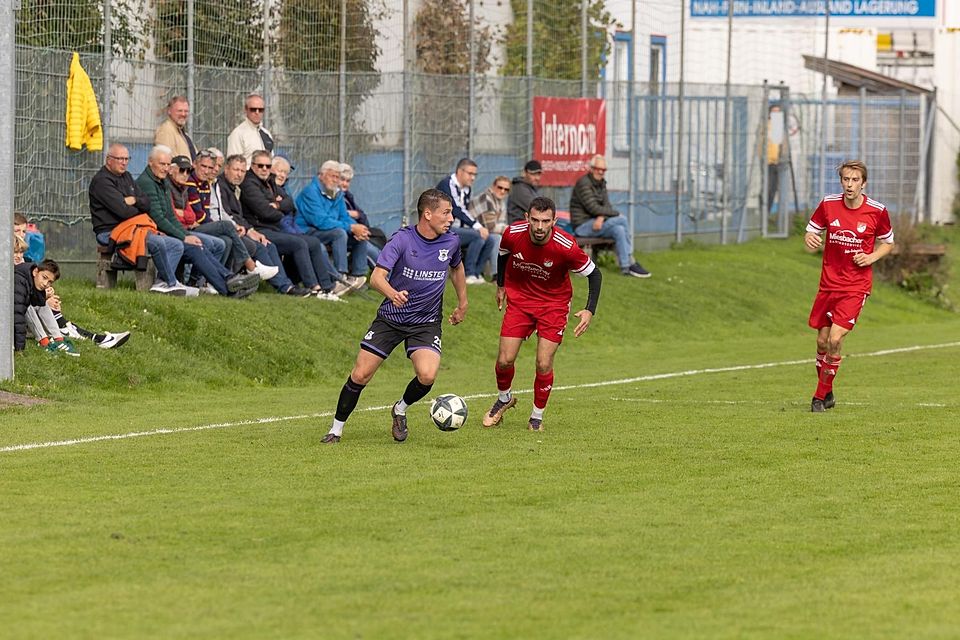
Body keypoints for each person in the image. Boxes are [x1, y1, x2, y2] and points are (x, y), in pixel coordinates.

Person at [321, 188, 468, 444]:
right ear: (427, 214)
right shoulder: (401, 239)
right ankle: (336, 429)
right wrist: (392, 294)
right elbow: (376, 278)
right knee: (360, 375)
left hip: (426, 322)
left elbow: (456, 268)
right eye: (446, 213)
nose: (451, 218)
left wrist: (463, 303)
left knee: (427, 376)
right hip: (392, 318)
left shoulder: (451, 241)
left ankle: (400, 409)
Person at [481, 196, 602, 432]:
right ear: (527, 218)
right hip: (520, 302)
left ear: (554, 221)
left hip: (553, 305)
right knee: (504, 360)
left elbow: (595, 274)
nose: (539, 227)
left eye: (545, 221)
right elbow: (504, 254)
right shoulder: (512, 233)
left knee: (543, 362)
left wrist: (590, 310)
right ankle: (504, 399)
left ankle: (536, 418)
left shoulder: (566, 247)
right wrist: (501, 285)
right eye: (534, 220)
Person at [804, 160, 894, 413]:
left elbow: (888, 242)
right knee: (822, 342)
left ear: (863, 184)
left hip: (855, 286)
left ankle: (818, 398)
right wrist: (810, 237)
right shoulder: (828, 204)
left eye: (855, 180)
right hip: (828, 284)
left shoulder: (877, 211)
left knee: (834, 338)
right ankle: (828, 390)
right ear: (841, 181)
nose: (849, 185)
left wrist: (871, 257)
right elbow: (812, 230)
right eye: (846, 179)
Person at [137, 145, 260, 298]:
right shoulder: (148, 183)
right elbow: (159, 218)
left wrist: (185, 234)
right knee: (200, 244)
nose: (165, 168)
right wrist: (184, 236)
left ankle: (228, 283)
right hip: (154, 233)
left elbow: (173, 216)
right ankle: (227, 284)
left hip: (168, 231)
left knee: (199, 246)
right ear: (150, 162)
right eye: (162, 164)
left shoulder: (162, 182)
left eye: (168, 164)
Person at [239, 150, 342, 301]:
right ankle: (312, 286)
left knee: (313, 242)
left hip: (274, 228)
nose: (264, 169)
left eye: (267, 166)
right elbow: (265, 212)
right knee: (298, 243)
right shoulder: (249, 183)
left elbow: (289, 203)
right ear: (252, 166)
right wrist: (278, 209)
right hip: (260, 229)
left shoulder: (269, 181)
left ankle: (326, 287)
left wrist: (276, 205)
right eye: (260, 165)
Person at [88, 143, 187, 295]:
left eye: (127, 159)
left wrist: (133, 200)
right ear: (108, 160)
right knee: (158, 242)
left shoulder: (127, 177)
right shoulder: (102, 181)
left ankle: (161, 283)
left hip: (135, 228)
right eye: (120, 159)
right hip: (111, 232)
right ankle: (171, 282)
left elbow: (147, 203)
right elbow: (123, 212)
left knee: (176, 244)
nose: (124, 162)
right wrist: (134, 206)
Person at [14, 219, 130, 349]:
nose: (22, 234)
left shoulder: (26, 262)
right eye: (17, 230)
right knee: (33, 304)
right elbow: (20, 302)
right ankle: (51, 340)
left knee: (47, 306)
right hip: (19, 318)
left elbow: (35, 284)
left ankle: (81, 337)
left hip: (29, 313)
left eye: (24, 231)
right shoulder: (13, 270)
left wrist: (46, 296)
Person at [212, 154, 311, 297]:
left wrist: (275, 207)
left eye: (242, 171)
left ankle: (286, 285)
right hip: (232, 228)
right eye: (236, 170)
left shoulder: (237, 187)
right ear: (226, 169)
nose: (239, 174)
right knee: (260, 245)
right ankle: (277, 283)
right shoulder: (222, 186)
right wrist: (249, 229)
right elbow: (230, 214)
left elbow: (290, 204)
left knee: (269, 244)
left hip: (248, 227)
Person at [187, 150, 279, 282]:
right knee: (232, 235)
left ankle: (222, 280)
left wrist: (236, 226)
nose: (210, 170)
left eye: (213, 167)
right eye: (205, 166)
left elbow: (218, 212)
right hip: (198, 226)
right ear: (195, 164)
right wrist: (223, 226)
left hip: (210, 224)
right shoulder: (193, 183)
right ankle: (249, 268)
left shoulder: (210, 184)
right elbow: (201, 216)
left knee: (233, 240)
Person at [294, 160, 374, 291]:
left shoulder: (337, 194)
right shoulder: (310, 192)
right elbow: (320, 221)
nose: (336, 180)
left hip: (328, 231)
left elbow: (344, 216)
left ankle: (357, 276)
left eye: (338, 177)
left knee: (360, 236)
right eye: (333, 176)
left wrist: (358, 228)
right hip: (309, 231)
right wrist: (351, 228)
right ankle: (340, 276)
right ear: (321, 175)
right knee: (340, 233)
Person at [569, 154, 651, 278]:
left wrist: (601, 217)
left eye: (603, 170)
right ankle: (630, 260)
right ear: (591, 168)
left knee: (619, 230)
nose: (601, 172)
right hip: (582, 225)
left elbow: (607, 206)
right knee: (622, 219)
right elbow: (593, 208)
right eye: (598, 169)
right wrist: (615, 214)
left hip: (597, 222)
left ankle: (625, 267)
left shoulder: (601, 183)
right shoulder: (583, 183)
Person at [436, 157, 496, 285]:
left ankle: (476, 273)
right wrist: (477, 226)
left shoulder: (467, 189)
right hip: (442, 229)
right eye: (470, 173)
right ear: (459, 171)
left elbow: (464, 211)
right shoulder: (447, 184)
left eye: (475, 174)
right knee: (477, 235)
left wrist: (476, 228)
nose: (473, 177)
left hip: (458, 229)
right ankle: (468, 273)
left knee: (488, 239)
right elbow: (457, 209)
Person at [13, 259, 78, 356]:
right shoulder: (19, 280)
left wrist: (45, 297)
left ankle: (58, 339)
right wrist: (19, 349)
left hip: (18, 321)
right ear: (35, 272)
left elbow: (37, 302)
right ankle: (44, 342)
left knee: (42, 304)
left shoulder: (31, 279)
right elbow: (17, 315)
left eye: (49, 282)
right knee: (27, 305)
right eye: (44, 277)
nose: (45, 284)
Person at [340, 162, 386, 264]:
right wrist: (350, 215)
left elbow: (362, 216)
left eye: (348, 181)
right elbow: (337, 217)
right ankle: (385, 276)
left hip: (358, 230)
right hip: (348, 233)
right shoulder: (334, 198)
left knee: (379, 235)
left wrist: (356, 214)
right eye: (342, 180)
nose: (345, 184)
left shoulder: (348, 196)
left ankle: (391, 273)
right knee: (370, 248)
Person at [468, 175, 511, 279]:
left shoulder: (500, 202)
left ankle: (506, 274)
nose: (502, 191)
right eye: (500, 187)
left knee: (505, 238)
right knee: (497, 239)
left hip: (485, 232)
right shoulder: (486, 198)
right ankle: (496, 275)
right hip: (470, 231)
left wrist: (506, 230)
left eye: (506, 189)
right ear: (493, 186)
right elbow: (491, 226)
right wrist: (508, 229)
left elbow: (499, 224)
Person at [227, 93, 273, 168]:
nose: (257, 112)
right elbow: (233, 165)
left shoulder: (266, 134)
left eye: (260, 110)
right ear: (246, 109)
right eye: (253, 109)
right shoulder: (238, 134)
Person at [154, 96, 198, 160]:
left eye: (186, 111)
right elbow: (166, 160)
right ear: (169, 111)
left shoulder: (181, 132)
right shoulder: (166, 130)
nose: (183, 114)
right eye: (179, 111)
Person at [506, 160, 542, 224]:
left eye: (539, 174)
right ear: (525, 173)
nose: (537, 178)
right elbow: (538, 209)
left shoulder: (531, 188)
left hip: (529, 226)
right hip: (518, 228)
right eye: (533, 174)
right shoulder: (519, 188)